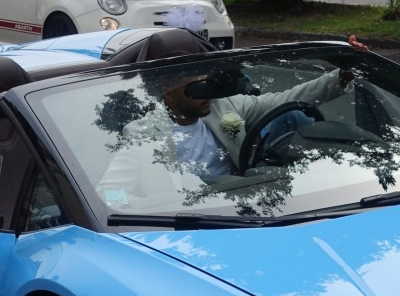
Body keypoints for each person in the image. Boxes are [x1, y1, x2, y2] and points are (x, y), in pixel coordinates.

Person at [97, 36, 368, 203]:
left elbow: (283, 100)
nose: (209, 93)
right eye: (199, 86)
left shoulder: (222, 106)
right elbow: (109, 193)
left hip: (245, 199)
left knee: (295, 114)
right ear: (168, 93)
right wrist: (144, 206)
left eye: (209, 82)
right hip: (194, 215)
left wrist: (341, 75)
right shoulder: (144, 134)